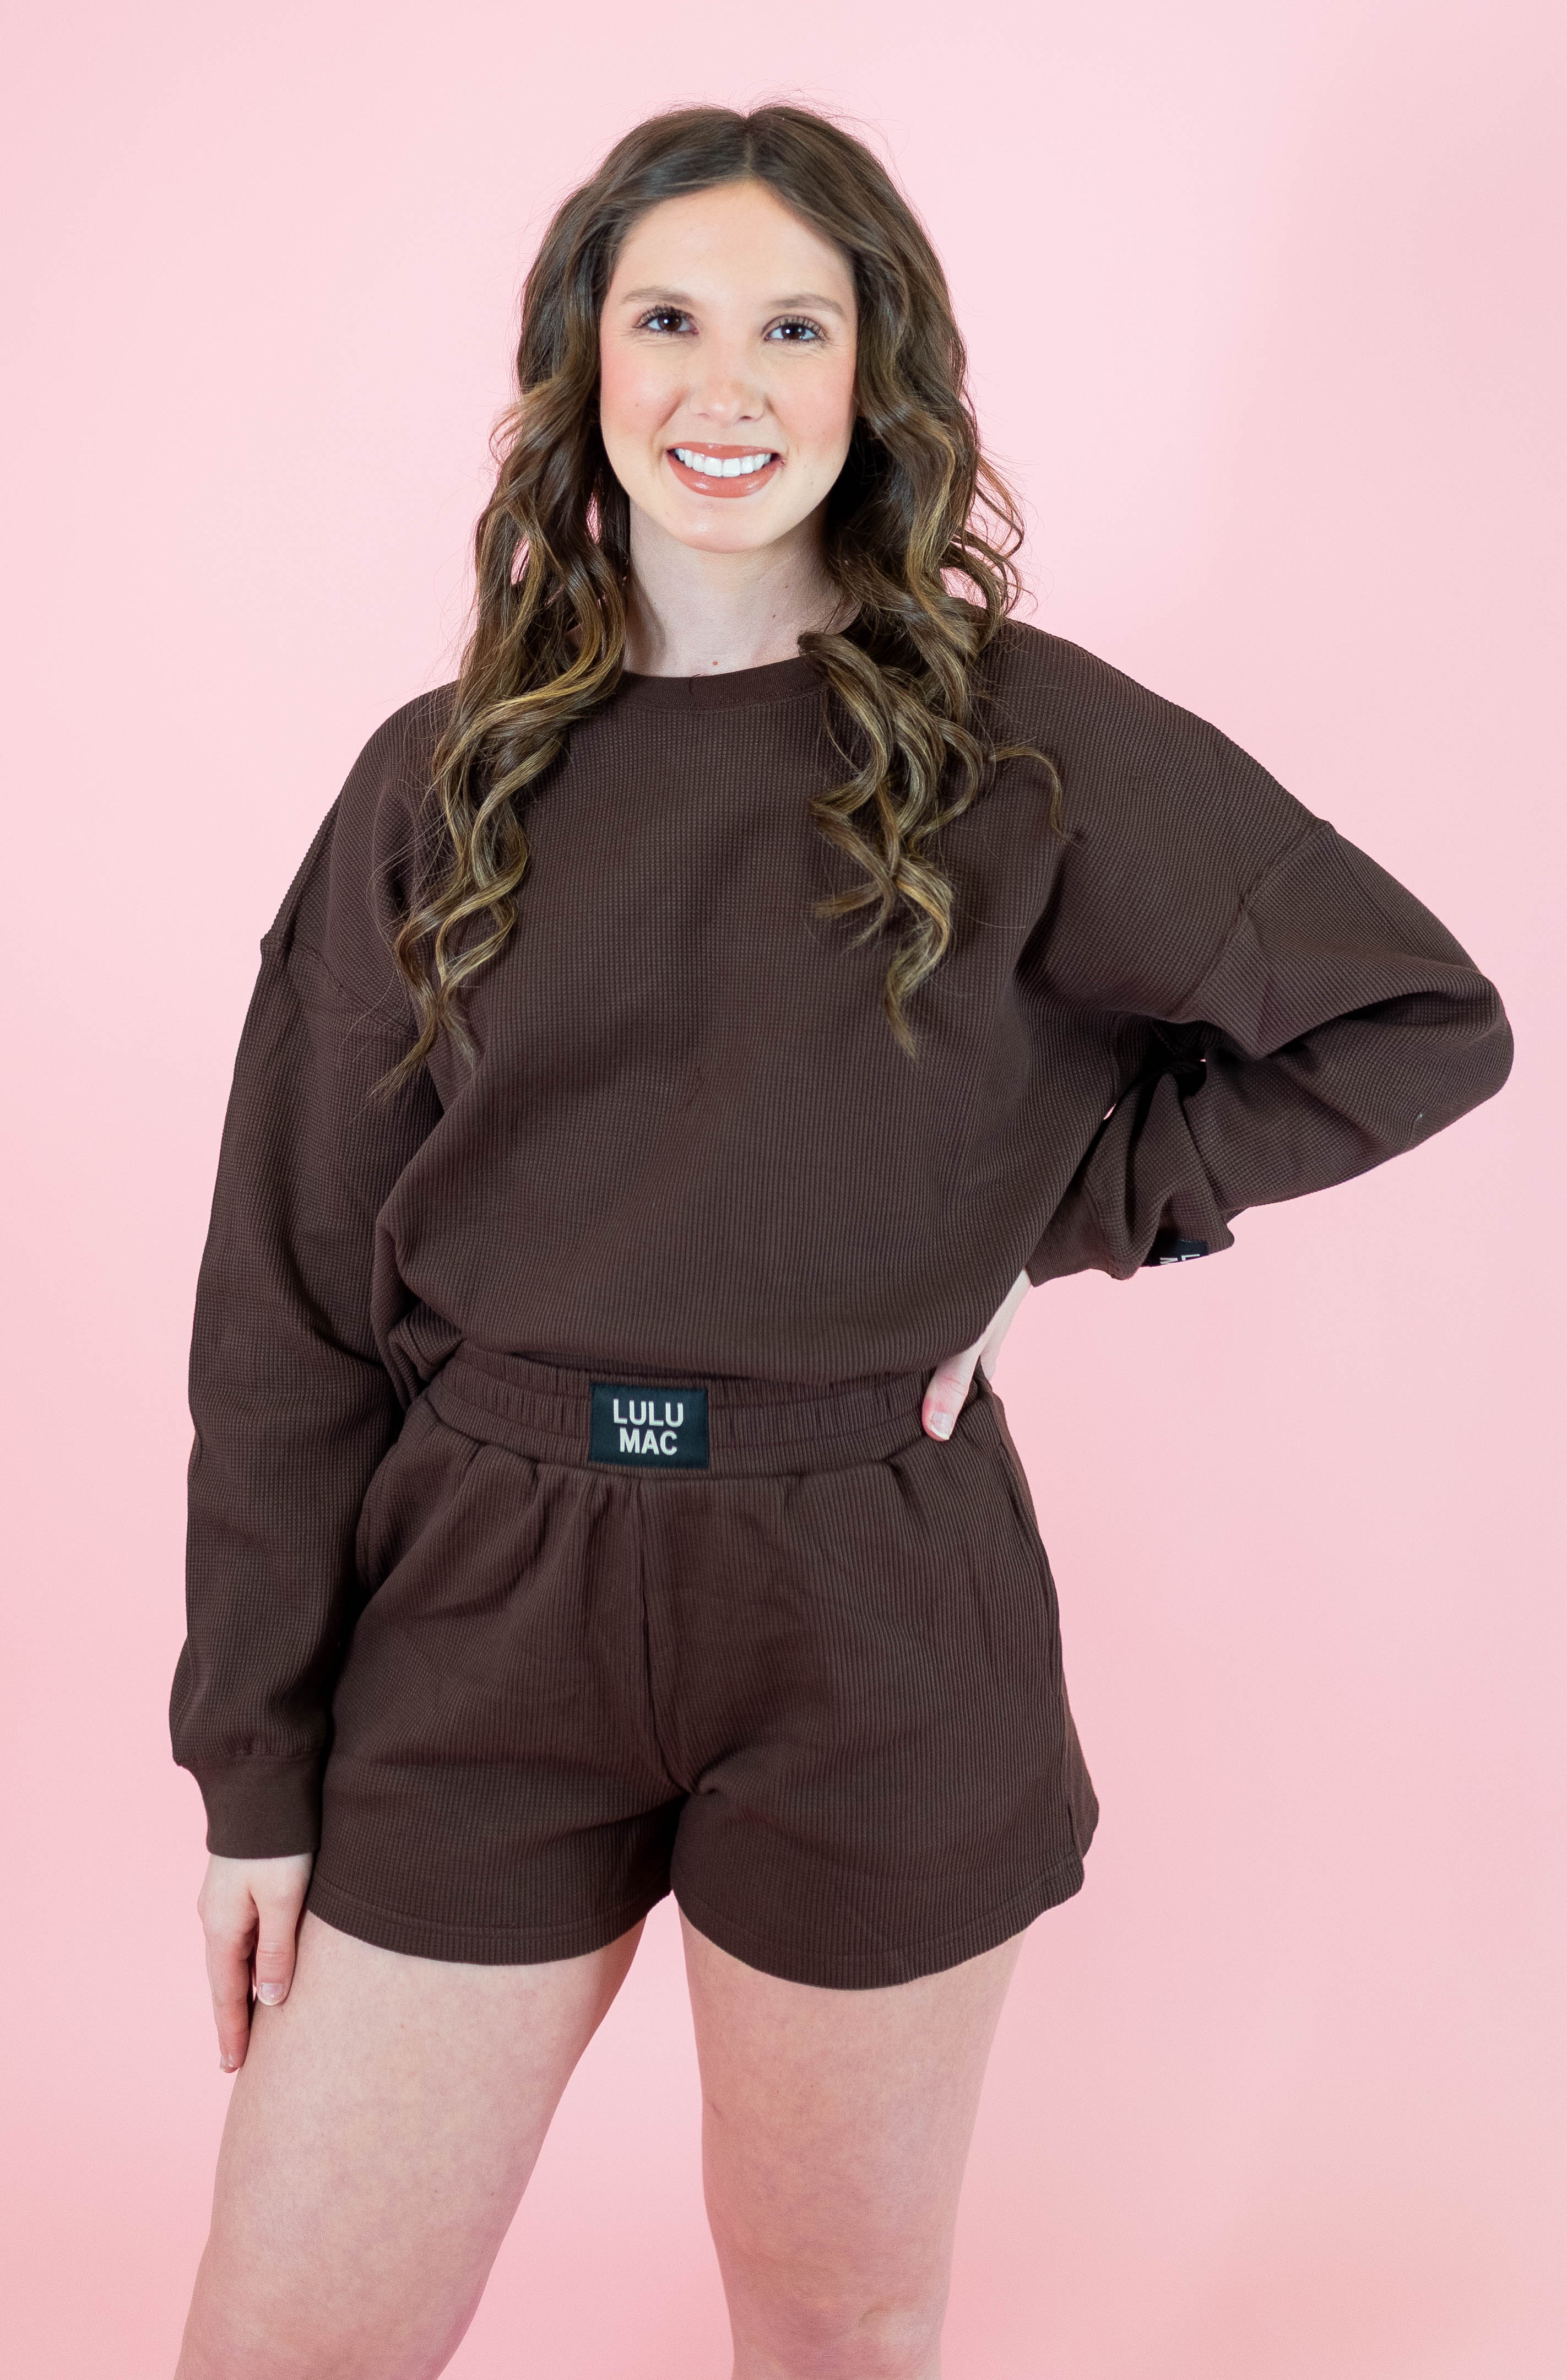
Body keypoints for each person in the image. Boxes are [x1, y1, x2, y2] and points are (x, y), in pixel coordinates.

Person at [168, 101, 1512, 2380]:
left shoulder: (1022, 743)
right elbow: (283, 1306)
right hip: (482, 1602)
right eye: (669, 321)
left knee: (839, 2325)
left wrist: (1046, 1228)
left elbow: (1414, 1021)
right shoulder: (440, 775)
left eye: (796, 328)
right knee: (285, 2332)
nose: (729, 386)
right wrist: (254, 1766)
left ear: (876, 374)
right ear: (583, 364)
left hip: (872, 1604)